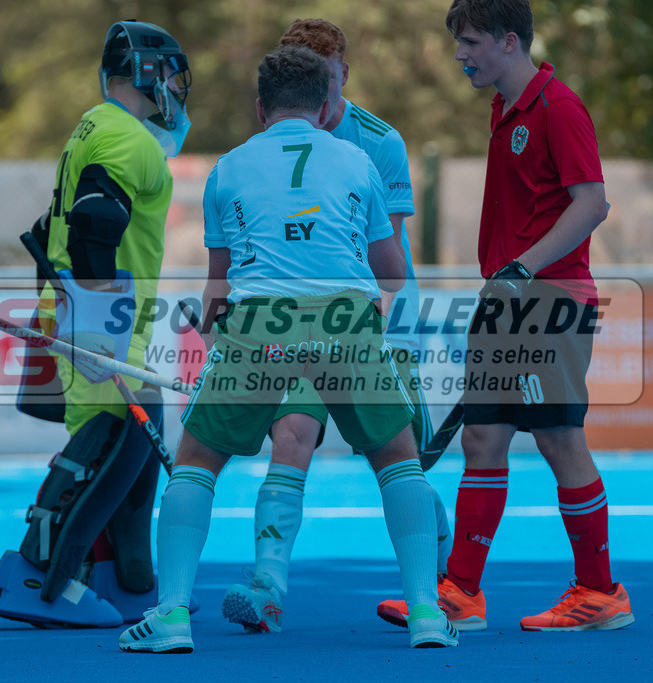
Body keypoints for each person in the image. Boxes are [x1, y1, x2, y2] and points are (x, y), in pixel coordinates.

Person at [118, 44, 458, 653]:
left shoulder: (227, 169)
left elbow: (217, 288)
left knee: (196, 461)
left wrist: (220, 337)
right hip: (346, 322)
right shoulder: (358, 161)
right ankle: (428, 614)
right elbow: (392, 272)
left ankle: (171, 615)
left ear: (259, 108)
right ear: (327, 105)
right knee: (398, 459)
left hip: (260, 324)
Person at [378, 0, 633, 633]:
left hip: (549, 298)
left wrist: (519, 270)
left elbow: (593, 204)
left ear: (509, 41)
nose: (460, 54)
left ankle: (600, 593)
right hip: (512, 300)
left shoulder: (558, 107)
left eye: (469, 42)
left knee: (557, 440)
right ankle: (460, 594)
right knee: (483, 439)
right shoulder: (504, 106)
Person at [218, 18, 454, 635]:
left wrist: (380, 326)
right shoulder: (276, 134)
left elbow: (391, 254)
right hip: (293, 321)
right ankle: (268, 586)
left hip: (375, 320)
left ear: (342, 74)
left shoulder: (379, 141)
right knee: (292, 435)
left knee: (396, 458)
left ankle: (430, 536)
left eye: (325, 77)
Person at [0, 19, 195, 629]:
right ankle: (36, 575)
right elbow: (97, 221)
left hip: (93, 314)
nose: (177, 89)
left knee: (135, 452)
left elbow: (61, 225)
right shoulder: (131, 140)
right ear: (149, 75)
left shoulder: (95, 124)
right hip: (105, 319)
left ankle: (126, 583)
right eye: (172, 76)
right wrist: (99, 325)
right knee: (105, 447)